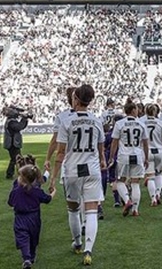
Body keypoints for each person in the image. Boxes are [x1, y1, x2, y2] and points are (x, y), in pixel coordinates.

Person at [48, 84, 105, 267]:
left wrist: (53, 177)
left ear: (75, 100)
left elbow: (61, 152)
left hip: (72, 170)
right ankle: (88, 249)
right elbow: (100, 148)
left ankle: (78, 243)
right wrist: (103, 161)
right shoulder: (96, 121)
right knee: (91, 211)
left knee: (73, 209)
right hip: (92, 169)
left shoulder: (66, 121)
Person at [8, 163, 54, 269]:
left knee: (23, 238)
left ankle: (27, 258)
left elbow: (10, 203)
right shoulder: (36, 191)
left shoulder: (16, 191)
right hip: (34, 218)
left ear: (23, 179)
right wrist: (53, 192)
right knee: (33, 238)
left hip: (20, 218)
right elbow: (47, 199)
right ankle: (30, 257)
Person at [110, 100, 149, 217]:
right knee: (135, 182)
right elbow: (145, 143)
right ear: (132, 110)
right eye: (136, 109)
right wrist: (146, 157)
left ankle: (127, 200)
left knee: (121, 181)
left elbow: (114, 142)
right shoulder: (141, 124)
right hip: (137, 154)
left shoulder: (120, 123)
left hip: (124, 155)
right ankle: (135, 210)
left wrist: (111, 156)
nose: (138, 111)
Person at [141, 103, 162, 207]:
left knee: (150, 177)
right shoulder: (160, 123)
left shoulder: (141, 122)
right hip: (159, 151)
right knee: (158, 174)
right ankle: (158, 193)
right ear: (155, 112)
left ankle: (153, 198)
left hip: (147, 151)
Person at [43, 87, 76, 172]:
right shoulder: (93, 118)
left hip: (69, 162)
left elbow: (55, 140)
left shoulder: (62, 117)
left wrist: (48, 159)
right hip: (89, 162)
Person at [4, 107, 31, 180]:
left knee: (14, 159)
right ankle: (21, 174)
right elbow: (19, 127)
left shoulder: (11, 121)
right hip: (12, 143)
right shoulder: (11, 122)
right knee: (17, 159)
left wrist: (25, 119)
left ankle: (11, 174)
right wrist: (24, 118)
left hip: (13, 143)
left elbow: (21, 126)